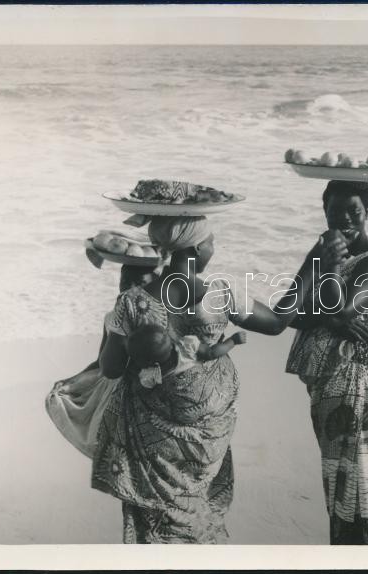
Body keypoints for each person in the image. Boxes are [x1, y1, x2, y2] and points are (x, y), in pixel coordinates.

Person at [92, 215, 318, 544]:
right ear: (197, 248)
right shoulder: (220, 293)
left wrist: (115, 322)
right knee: (200, 506)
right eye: (211, 242)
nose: (213, 247)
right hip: (208, 434)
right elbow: (277, 323)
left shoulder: (130, 302)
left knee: (158, 519)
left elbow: (111, 368)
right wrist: (312, 265)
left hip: (152, 437)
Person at [285, 180, 368, 545]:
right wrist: (320, 265)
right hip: (329, 381)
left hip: (358, 378)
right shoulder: (322, 254)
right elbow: (288, 312)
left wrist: (328, 269)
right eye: (335, 211)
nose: (344, 219)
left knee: (365, 481)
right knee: (341, 480)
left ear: (367, 212)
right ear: (324, 212)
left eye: (353, 211)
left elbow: (339, 310)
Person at [45, 264, 156, 457]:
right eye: (125, 281)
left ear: (154, 284)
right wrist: (71, 379)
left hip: (143, 386)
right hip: (112, 386)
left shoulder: (156, 319)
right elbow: (100, 361)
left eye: (139, 283)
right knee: (107, 444)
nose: (130, 287)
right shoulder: (110, 318)